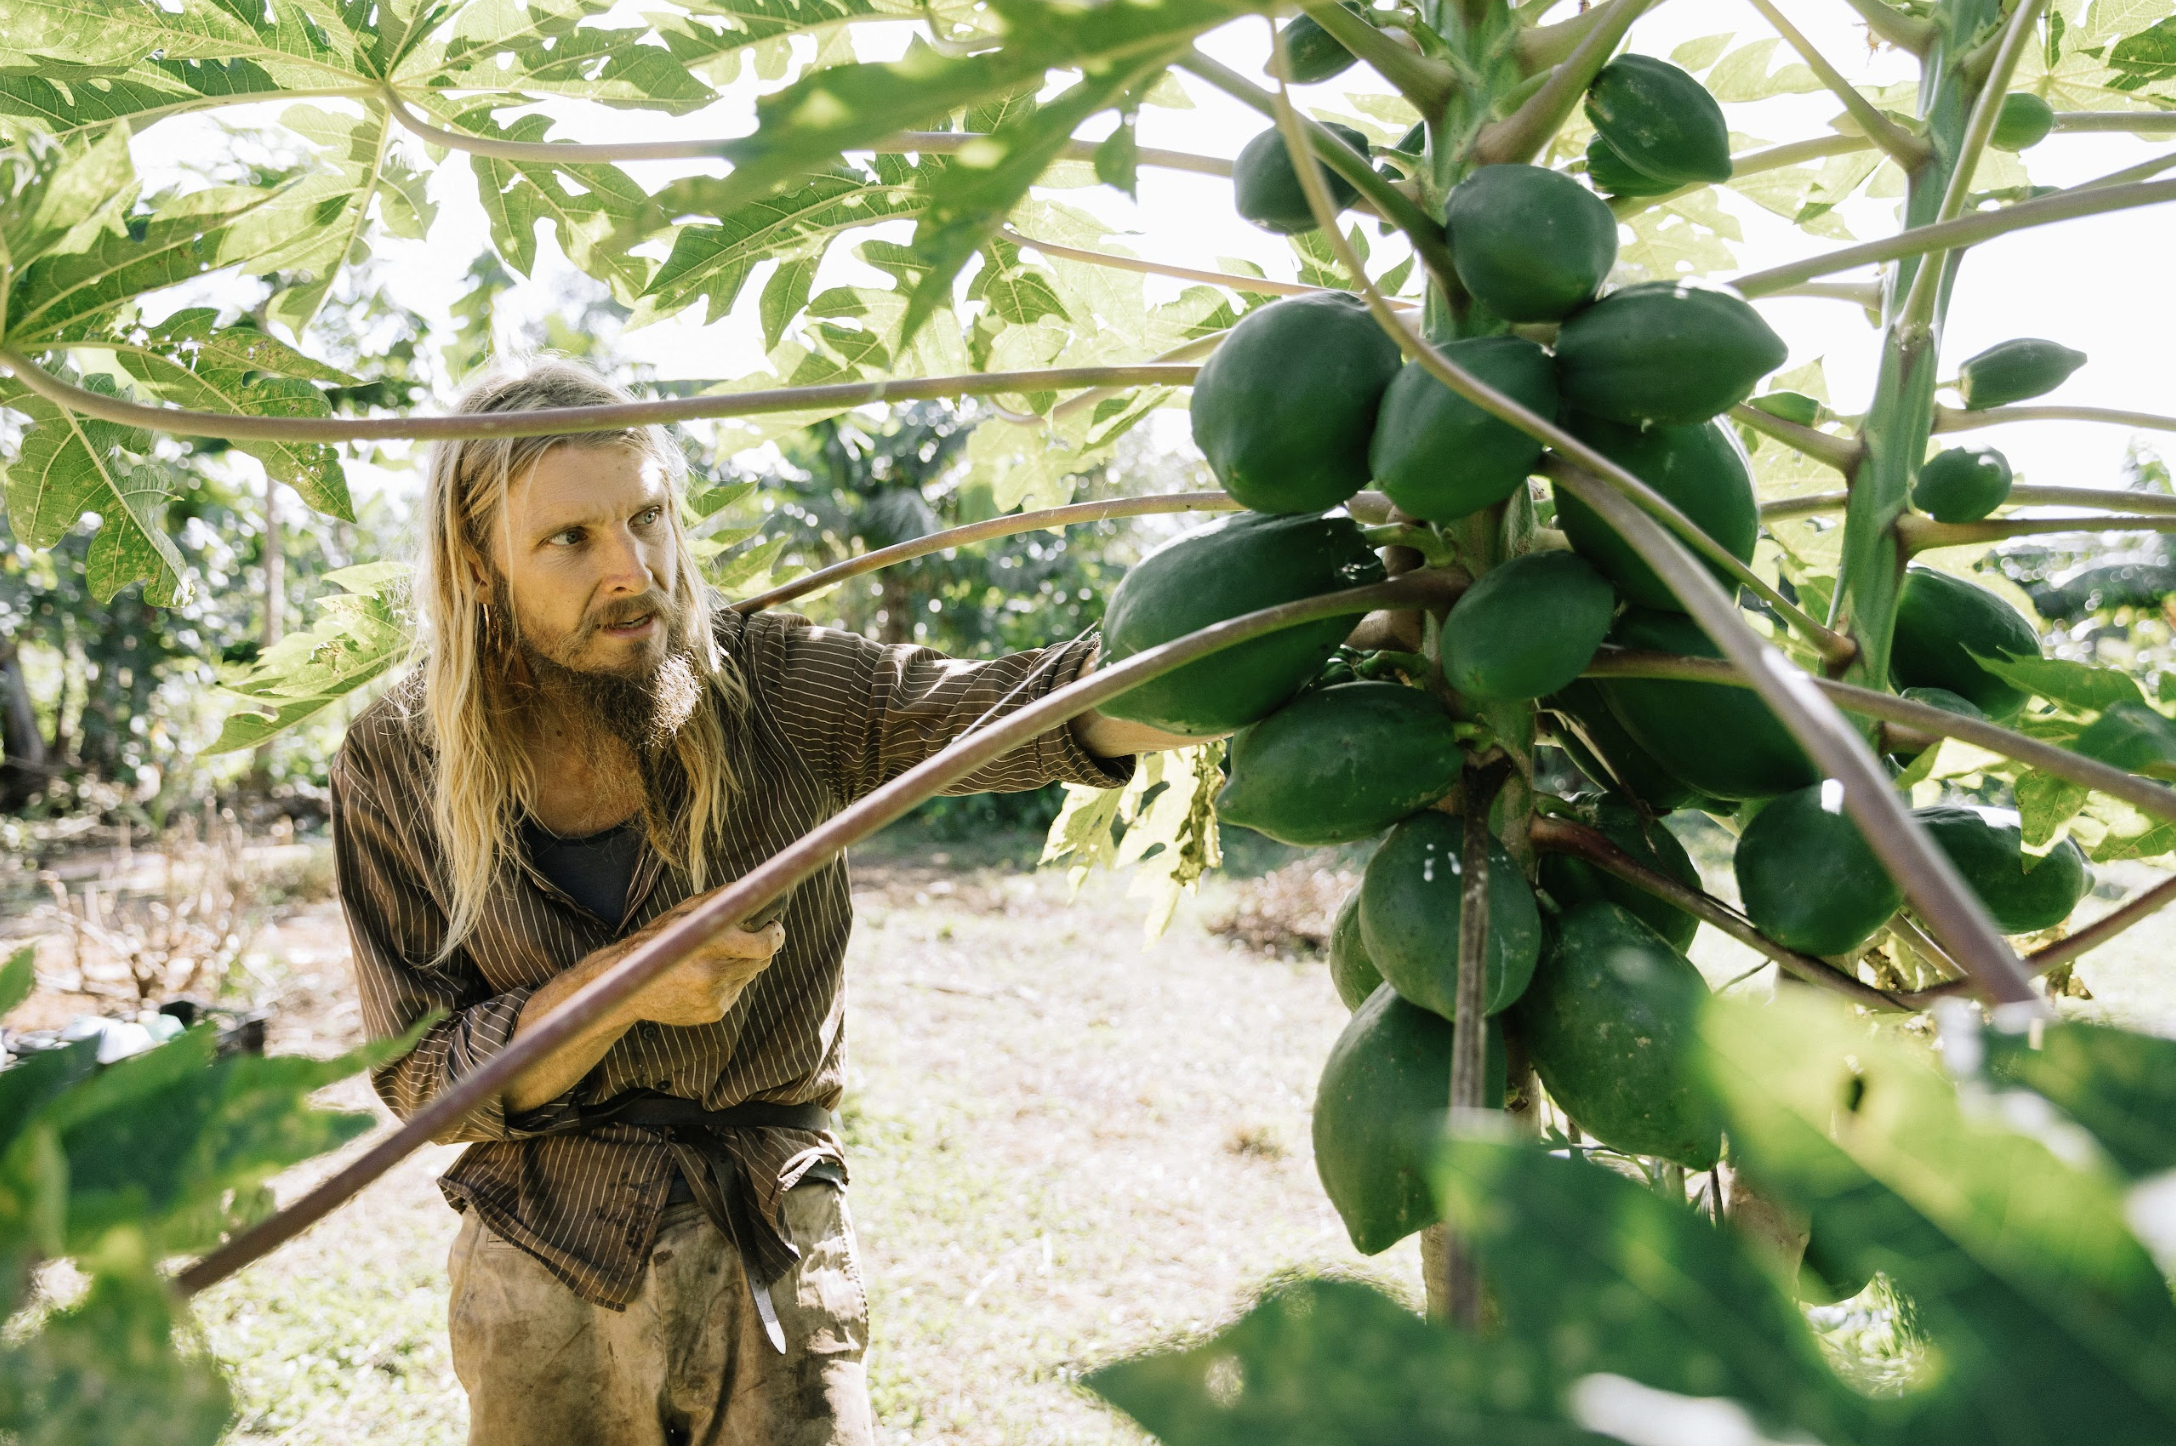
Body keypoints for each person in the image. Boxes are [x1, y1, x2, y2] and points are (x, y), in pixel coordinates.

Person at [331, 360, 1191, 1445]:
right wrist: (622, 989)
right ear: (475, 560)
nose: (632, 569)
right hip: (546, 1259)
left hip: (775, 1237)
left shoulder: (773, 687)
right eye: (571, 539)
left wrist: (1286, 647)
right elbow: (424, 1079)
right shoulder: (397, 758)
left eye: (647, 516)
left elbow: (1023, 711)